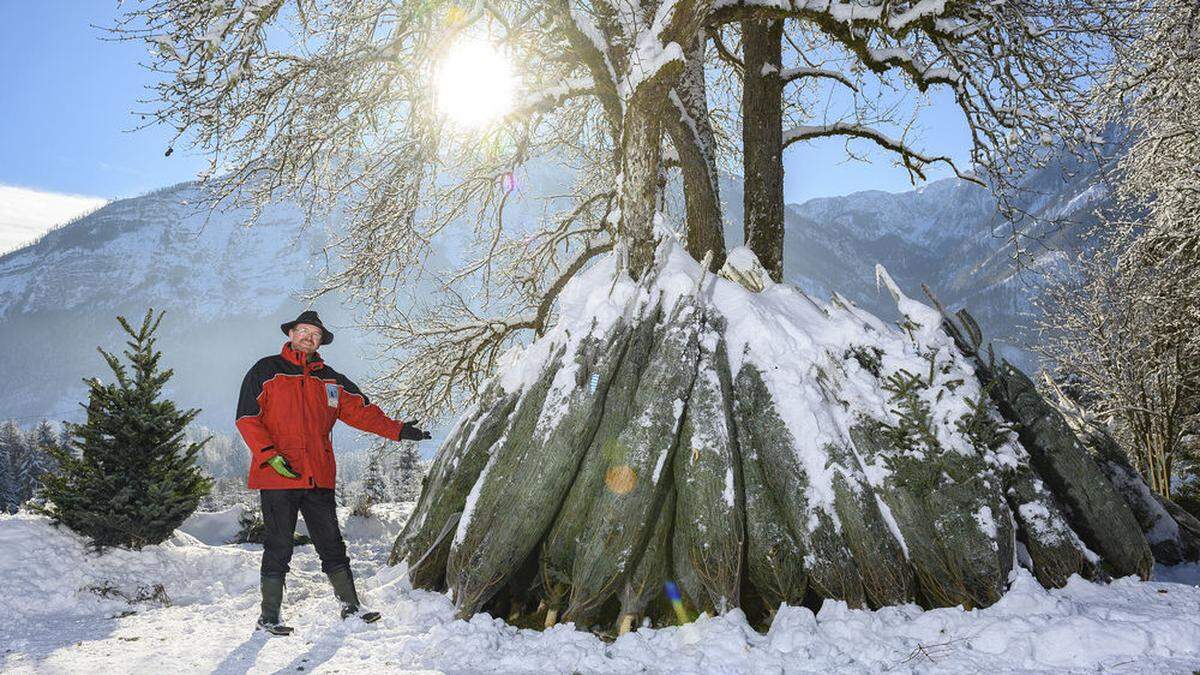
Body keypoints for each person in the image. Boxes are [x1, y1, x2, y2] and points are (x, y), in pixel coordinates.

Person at [235, 310, 431, 636]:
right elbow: (246, 417)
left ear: (320, 341)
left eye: (315, 334)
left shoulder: (330, 379)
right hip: (278, 475)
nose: (308, 337)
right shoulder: (266, 371)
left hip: (318, 476)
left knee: (332, 545)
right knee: (278, 545)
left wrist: (399, 431)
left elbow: (363, 413)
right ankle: (269, 616)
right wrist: (269, 456)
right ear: (292, 333)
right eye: (303, 331)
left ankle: (351, 608)